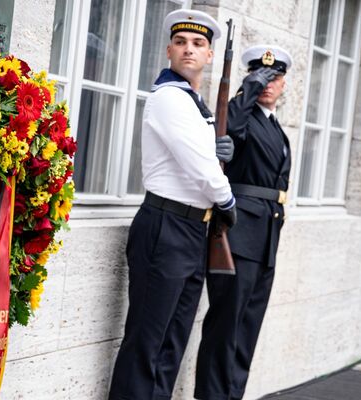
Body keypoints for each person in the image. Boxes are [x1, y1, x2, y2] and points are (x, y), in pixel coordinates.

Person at [108, 9, 237, 400]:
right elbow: (198, 165)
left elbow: (202, 158)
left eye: (198, 44)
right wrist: (226, 196)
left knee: (171, 344)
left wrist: (219, 151)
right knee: (147, 344)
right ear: (168, 50)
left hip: (192, 229)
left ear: (210, 56)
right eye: (181, 42)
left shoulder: (193, 103)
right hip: (165, 225)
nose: (189, 50)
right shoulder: (169, 98)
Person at [195, 45, 292, 400]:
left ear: (284, 84)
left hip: (265, 239)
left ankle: (232, 394)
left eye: (274, 77)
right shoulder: (243, 119)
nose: (268, 83)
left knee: (247, 328)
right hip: (238, 237)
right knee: (226, 327)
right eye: (260, 76)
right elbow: (228, 124)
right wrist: (249, 87)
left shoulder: (274, 126)